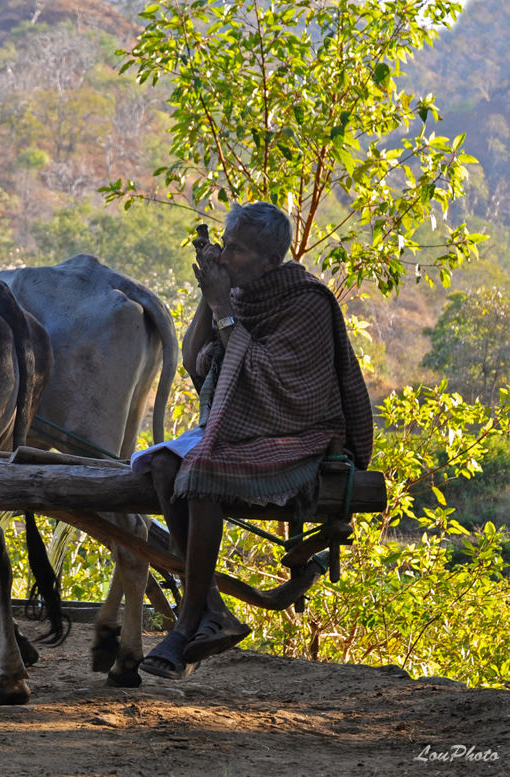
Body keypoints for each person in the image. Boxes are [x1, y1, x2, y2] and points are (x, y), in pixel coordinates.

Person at [132, 202, 374, 680]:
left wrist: (223, 306)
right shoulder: (240, 293)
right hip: (240, 426)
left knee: (204, 472)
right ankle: (215, 611)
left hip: (298, 433)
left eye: (235, 250)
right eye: (224, 245)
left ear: (268, 261)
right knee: (163, 466)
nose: (224, 256)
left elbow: (271, 381)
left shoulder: (308, 302)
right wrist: (211, 295)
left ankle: (185, 624)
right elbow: (197, 363)